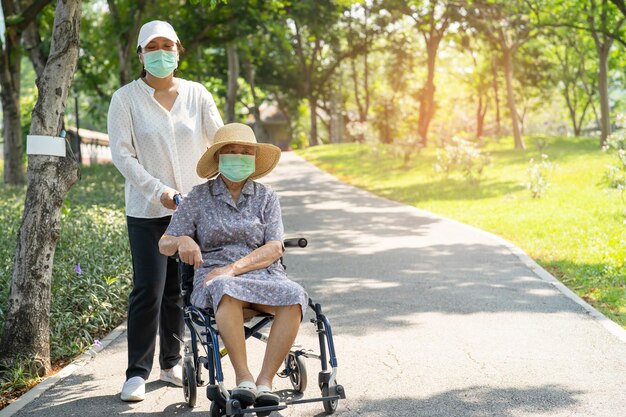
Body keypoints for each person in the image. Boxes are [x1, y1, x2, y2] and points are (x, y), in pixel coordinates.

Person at [107, 20, 223, 402]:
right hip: (147, 209)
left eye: (167, 45)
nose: (161, 52)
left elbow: (218, 140)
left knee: (179, 290)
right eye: (152, 47)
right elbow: (123, 156)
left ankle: (171, 363)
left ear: (178, 50)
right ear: (141, 55)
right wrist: (160, 192)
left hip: (192, 209)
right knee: (150, 288)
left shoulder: (197, 94)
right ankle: (136, 373)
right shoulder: (125, 99)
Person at [159, 123, 308, 407]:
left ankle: (265, 383)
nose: (239, 156)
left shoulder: (266, 197)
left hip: (262, 274)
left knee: (294, 295)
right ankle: (244, 380)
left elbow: (275, 247)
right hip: (214, 277)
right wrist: (181, 242)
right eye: (231, 151)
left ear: (253, 158)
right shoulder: (198, 197)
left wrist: (233, 268)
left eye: (245, 151)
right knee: (224, 287)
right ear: (218, 158)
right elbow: (163, 243)